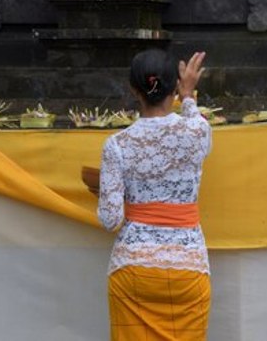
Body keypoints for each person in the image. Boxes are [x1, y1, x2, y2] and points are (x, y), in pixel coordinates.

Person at [98, 49, 212, 341]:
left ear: (134, 89)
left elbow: (110, 220)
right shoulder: (197, 134)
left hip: (133, 271)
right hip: (187, 269)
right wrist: (187, 95)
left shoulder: (116, 145)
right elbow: (194, 119)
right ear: (174, 85)